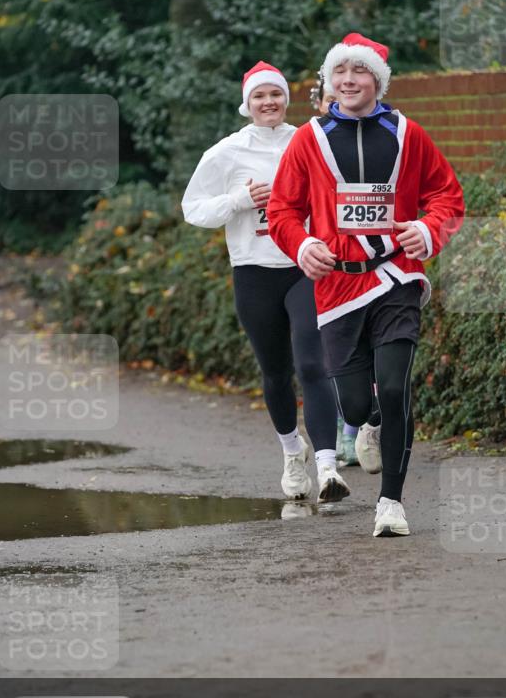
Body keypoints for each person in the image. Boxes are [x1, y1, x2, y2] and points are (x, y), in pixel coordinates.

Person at [268, 34, 464, 537]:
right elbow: (283, 210)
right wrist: (302, 245)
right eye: (340, 72)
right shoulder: (308, 139)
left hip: (396, 277)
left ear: (377, 80)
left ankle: (391, 504)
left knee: (396, 386)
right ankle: (370, 420)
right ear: (329, 81)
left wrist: (426, 229)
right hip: (337, 287)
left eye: (359, 72)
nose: (349, 81)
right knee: (355, 405)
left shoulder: (407, 134)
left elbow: (446, 194)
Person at [181, 61, 349, 505]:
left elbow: (340, 192)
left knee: (314, 365)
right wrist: (239, 199)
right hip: (254, 273)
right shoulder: (225, 154)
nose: (269, 102)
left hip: (304, 265)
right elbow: (192, 208)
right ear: (247, 105)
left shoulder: (309, 140)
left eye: (275, 94)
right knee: (276, 374)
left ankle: (329, 467)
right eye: (260, 96)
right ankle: (294, 454)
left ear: (285, 100)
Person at [310, 72, 359, 469]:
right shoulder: (309, 142)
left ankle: (363, 428)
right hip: (320, 262)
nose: (335, 106)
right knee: (333, 355)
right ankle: (346, 430)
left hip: (367, 264)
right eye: (328, 100)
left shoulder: (383, 137)